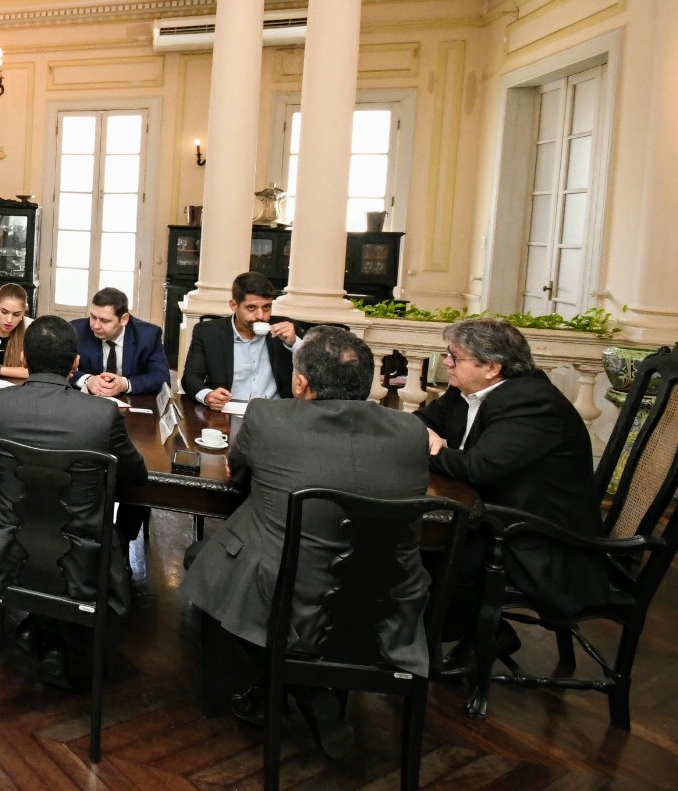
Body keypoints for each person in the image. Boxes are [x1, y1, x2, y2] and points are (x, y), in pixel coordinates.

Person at [181, 326, 431, 758]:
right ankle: (309, 692)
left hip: (284, 599)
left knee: (208, 559)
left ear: (300, 382)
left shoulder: (266, 418)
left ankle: (281, 684)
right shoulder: (411, 431)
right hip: (387, 602)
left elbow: (238, 476)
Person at [0, 316, 148, 688]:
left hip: (10, 547)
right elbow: (136, 476)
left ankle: (40, 629)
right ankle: (53, 637)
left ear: (22, 357)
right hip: (82, 557)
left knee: (41, 521)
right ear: (75, 362)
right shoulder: (102, 414)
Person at [417, 318, 611, 644]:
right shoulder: (465, 390)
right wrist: (425, 436)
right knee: (421, 535)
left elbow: (478, 468)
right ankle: (444, 631)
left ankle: (464, 633)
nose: (446, 363)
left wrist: (429, 448)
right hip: (499, 511)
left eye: (455, 357)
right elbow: (420, 423)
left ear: (492, 367)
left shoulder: (532, 403)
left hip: (543, 540)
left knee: (440, 543)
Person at [182, 271, 300, 410]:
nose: (260, 316)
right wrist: (208, 395)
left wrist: (295, 343)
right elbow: (190, 378)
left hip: (275, 412)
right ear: (233, 305)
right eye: (251, 307)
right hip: (227, 410)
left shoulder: (286, 330)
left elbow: (313, 375)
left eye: (266, 307)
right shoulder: (208, 332)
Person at [70, 287, 171, 397]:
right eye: (93, 317)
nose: (96, 326)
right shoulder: (75, 330)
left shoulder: (148, 335)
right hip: (87, 402)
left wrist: (125, 384)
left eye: (104, 320)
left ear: (124, 319)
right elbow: (54, 370)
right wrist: (87, 380)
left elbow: (162, 378)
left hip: (132, 403)